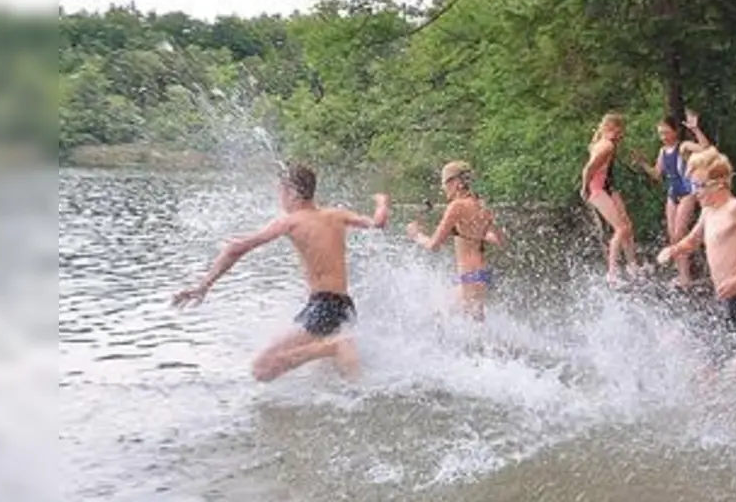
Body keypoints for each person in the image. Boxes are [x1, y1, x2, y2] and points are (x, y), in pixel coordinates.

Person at [172, 164, 389, 382]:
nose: (279, 198)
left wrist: (203, 286)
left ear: (292, 192)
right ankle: (333, 351)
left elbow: (235, 248)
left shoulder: (291, 221)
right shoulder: (337, 214)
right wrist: (382, 202)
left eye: (280, 191)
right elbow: (378, 224)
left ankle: (335, 346)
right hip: (344, 306)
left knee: (263, 369)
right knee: (334, 382)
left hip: (324, 307)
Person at [658, 151, 736, 356]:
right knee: (713, 363)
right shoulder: (708, 211)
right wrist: (673, 250)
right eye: (692, 185)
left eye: (699, 186)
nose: (695, 192)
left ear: (719, 184)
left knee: (734, 369)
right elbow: (693, 240)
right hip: (723, 298)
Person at [406, 160, 505, 319]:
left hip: (469, 276)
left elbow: (433, 245)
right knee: (474, 323)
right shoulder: (481, 204)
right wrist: (477, 235)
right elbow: (499, 240)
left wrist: (416, 235)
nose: (443, 187)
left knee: (437, 315)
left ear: (456, 182)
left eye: (445, 182)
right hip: (483, 275)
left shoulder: (457, 206)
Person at [632, 111, 712, 289]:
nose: (663, 136)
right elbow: (657, 174)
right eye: (660, 133)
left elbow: (706, 149)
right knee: (673, 237)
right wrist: (642, 163)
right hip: (672, 195)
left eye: (666, 132)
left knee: (679, 234)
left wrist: (695, 129)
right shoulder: (662, 151)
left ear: (675, 131)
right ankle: (683, 275)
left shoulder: (683, 146)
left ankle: (687, 276)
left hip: (686, 194)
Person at [580, 112, 641, 285]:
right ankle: (612, 274)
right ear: (613, 129)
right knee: (620, 228)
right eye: (620, 131)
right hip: (597, 189)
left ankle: (632, 266)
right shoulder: (607, 146)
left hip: (607, 187)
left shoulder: (606, 143)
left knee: (627, 225)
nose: (622, 135)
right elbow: (588, 169)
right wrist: (584, 188)